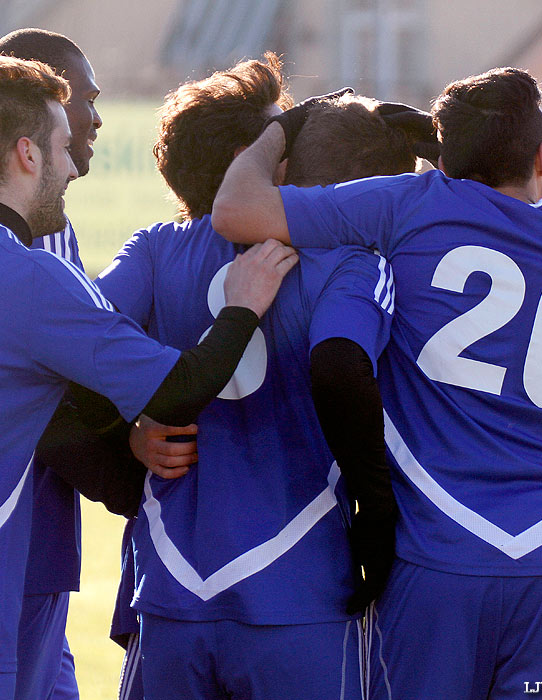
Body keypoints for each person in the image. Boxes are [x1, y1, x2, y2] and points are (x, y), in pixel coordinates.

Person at [0, 55, 297, 700]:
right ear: (27, 154)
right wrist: (243, 304)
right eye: (61, 148)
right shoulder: (29, 277)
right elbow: (181, 391)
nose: (73, 166)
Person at [212, 67, 542, 700]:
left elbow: (235, 210)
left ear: (446, 164)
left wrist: (284, 129)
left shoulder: (409, 206)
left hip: (437, 550)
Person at [95, 60, 424, 700]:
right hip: (301, 585)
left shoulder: (155, 251)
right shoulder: (343, 258)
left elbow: (66, 354)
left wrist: (127, 432)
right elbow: (344, 364)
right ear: (263, 165)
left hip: (173, 589)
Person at [0, 28, 108, 700]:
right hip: (6, 548)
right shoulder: (13, 239)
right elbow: (55, 393)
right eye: (84, 99)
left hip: (39, 545)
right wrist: (130, 477)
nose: (95, 117)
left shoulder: (50, 224)